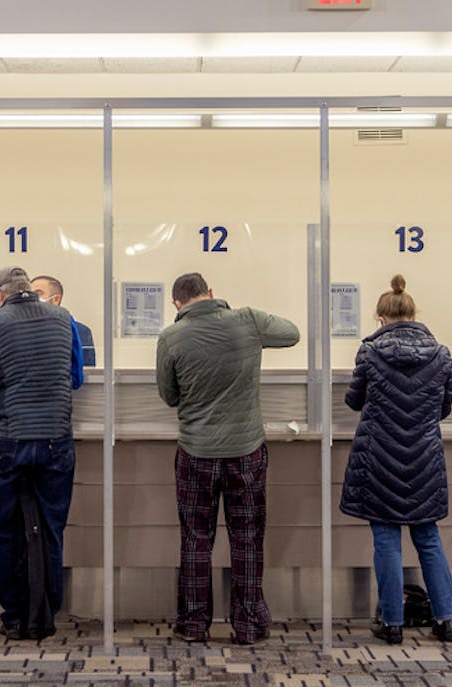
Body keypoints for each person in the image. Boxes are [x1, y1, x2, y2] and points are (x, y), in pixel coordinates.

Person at [154, 272, 300, 645]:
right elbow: (291, 333)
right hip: (246, 453)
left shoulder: (171, 337)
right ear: (212, 294)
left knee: (195, 539)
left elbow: (169, 396)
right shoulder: (247, 320)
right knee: (247, 539)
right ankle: (249, 625)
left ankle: (193, 625)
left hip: (196, 454)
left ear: (176, 304)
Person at [339, 275, 452, 645]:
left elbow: (354, 401)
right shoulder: (441, 355)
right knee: (428, 538)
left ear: (380, 317)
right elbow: (444, 408)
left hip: (379, 458)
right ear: (413, 312)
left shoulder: (370, 353)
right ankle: (446, 621)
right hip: (424, 457)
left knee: (386, 540)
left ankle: (392, 623)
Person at [0, 265, 85, 640]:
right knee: (51, 529)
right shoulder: (64, 318)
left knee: (8, 529)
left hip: (10, 440)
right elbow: (77, 378)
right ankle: (47, 614)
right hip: (55, 438)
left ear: (0, 294)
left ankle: (15, 615)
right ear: (29, 291)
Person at [31, 274, 96, 367]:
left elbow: (86, 370)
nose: (32, 298)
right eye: (30, 294)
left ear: (56, 299)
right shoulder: (20, 329)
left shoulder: (79, 331)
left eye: (38, 293)